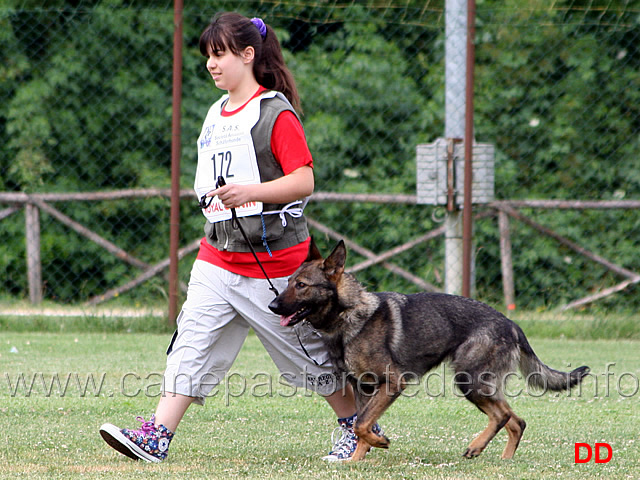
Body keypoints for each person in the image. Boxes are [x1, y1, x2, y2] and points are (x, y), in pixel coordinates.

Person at [99, 12, 378, 463]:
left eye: (221, 54)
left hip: (277, 269)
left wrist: (252, 193)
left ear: (248, 55)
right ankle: (156, 437)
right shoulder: (215, 112)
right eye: (208, 55)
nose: (211, 64)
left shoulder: (275, 112)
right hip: (216, 258)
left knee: (306, 357)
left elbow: (303, 180)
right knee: (192, 341)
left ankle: (356, 424)